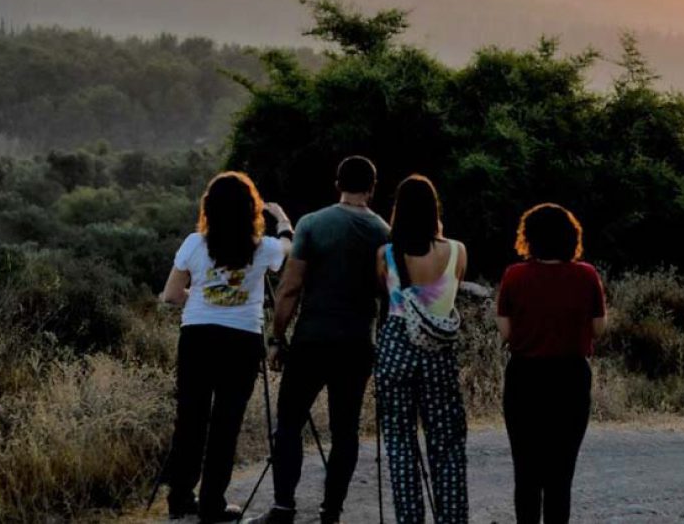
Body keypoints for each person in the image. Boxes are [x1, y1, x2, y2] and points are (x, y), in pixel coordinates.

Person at [250, 156, 391, 524]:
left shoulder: (312, 224)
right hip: (359, 341)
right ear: (372, 188)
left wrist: (276, 337)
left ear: (337, 183)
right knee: (346, 429)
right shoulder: (384, 231)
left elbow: (290, 288)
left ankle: (283, 506)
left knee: (290, 422)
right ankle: (332, 510)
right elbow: (387, 292)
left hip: (313, 337)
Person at [160, 171, 293, 522]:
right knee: (225, 424)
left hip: (198, 337)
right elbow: (290, 253)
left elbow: (171, 296)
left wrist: (203, 296)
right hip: (241, 341)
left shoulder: (193, 243)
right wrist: (282, 220)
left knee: (190, 419)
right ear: (251, 209)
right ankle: (211, 505)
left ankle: (179, 498)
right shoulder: (263, 248)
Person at [495, 203, 607, 524]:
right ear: (572, 236)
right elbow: (598, 328)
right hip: (570, 377)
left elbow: (506, 333)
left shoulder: (514, 276)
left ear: (528, 237)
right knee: (561, 474)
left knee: (526, 472)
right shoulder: (587, 275)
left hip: (525, 378)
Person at [375, 175, 469, 524]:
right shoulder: (457, 251)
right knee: (447, 445)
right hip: (438, 352)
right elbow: (452, 291)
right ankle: (452, 518)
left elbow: (384, 296)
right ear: (434, 209)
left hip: (397, 347)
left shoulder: (386, 253)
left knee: (400, 443)